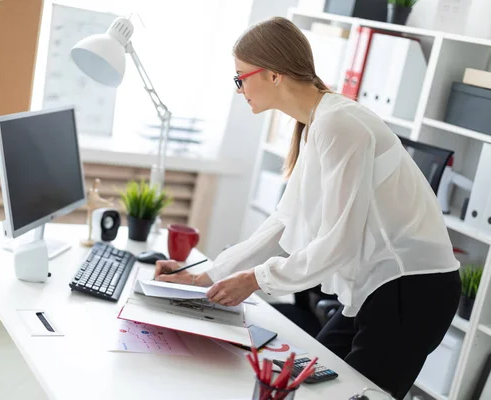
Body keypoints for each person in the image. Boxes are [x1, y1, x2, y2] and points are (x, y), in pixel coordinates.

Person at [154, 16, 460, 400]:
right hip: (378, 287)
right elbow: (284, 219)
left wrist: (254, 279)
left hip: (411, 289)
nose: (238, 89)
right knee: (307, 380)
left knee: (350, 394)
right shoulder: (319, 123)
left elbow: (340, 242)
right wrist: (205, 275)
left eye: (240, 78)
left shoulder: (339, 124)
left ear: (274, 75)